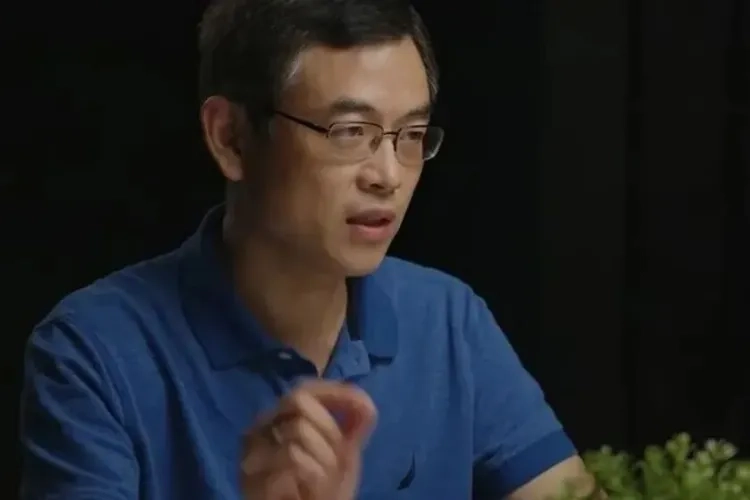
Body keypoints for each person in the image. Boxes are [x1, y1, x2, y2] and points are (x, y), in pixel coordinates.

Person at [19, 0, 602, 499]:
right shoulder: (93, 353)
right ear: (231, 138)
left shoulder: (449, 321)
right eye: (350, 132)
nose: (388, 175)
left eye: (410, 135)